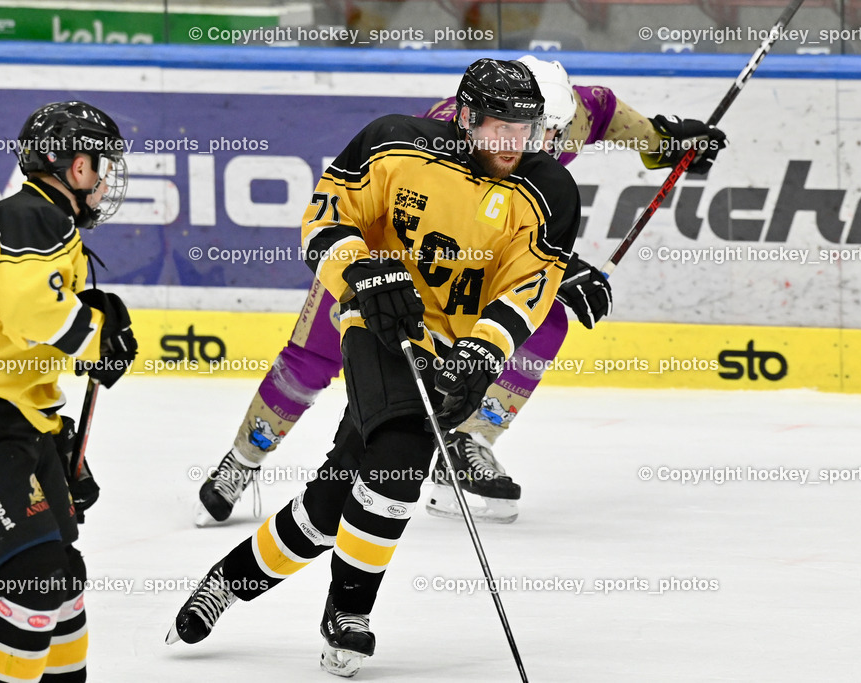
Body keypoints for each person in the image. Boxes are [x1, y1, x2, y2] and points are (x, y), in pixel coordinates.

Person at [167, 58, 580, 677]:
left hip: (461, 354)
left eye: (525, 132)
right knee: (400, 459)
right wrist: (360, 269)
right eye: (500, 128)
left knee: (330, 505)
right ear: (467, 118)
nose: (513, 145)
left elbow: (529, 285)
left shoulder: (549, 192)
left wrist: (487, 351)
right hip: (379, 328)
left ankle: (226, 581)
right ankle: (347, 616)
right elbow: (326, 217)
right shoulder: (393, 143)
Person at [193, 55, 727, 526]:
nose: (534, 149)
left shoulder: (575, 112)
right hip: (387, 259)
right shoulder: (448, 132)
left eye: (547, 137)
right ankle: (243, 459)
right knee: (313, 354)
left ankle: (467, 439)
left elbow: (615, 118)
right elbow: (445, 229)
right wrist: (565, 269)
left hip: (471, 278)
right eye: (523, 132)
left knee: (546, 317)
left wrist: (672, 145)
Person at [0, 101, 136, 683]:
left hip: (4, 412)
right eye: (99, 164)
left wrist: (52, 434)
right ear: (75, 167)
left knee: (63, 584)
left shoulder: (45, 219)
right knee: (39, 581)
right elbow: (32, 314)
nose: (103, 178)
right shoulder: (30, 217)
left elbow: (13, 341)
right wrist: (98, 338)